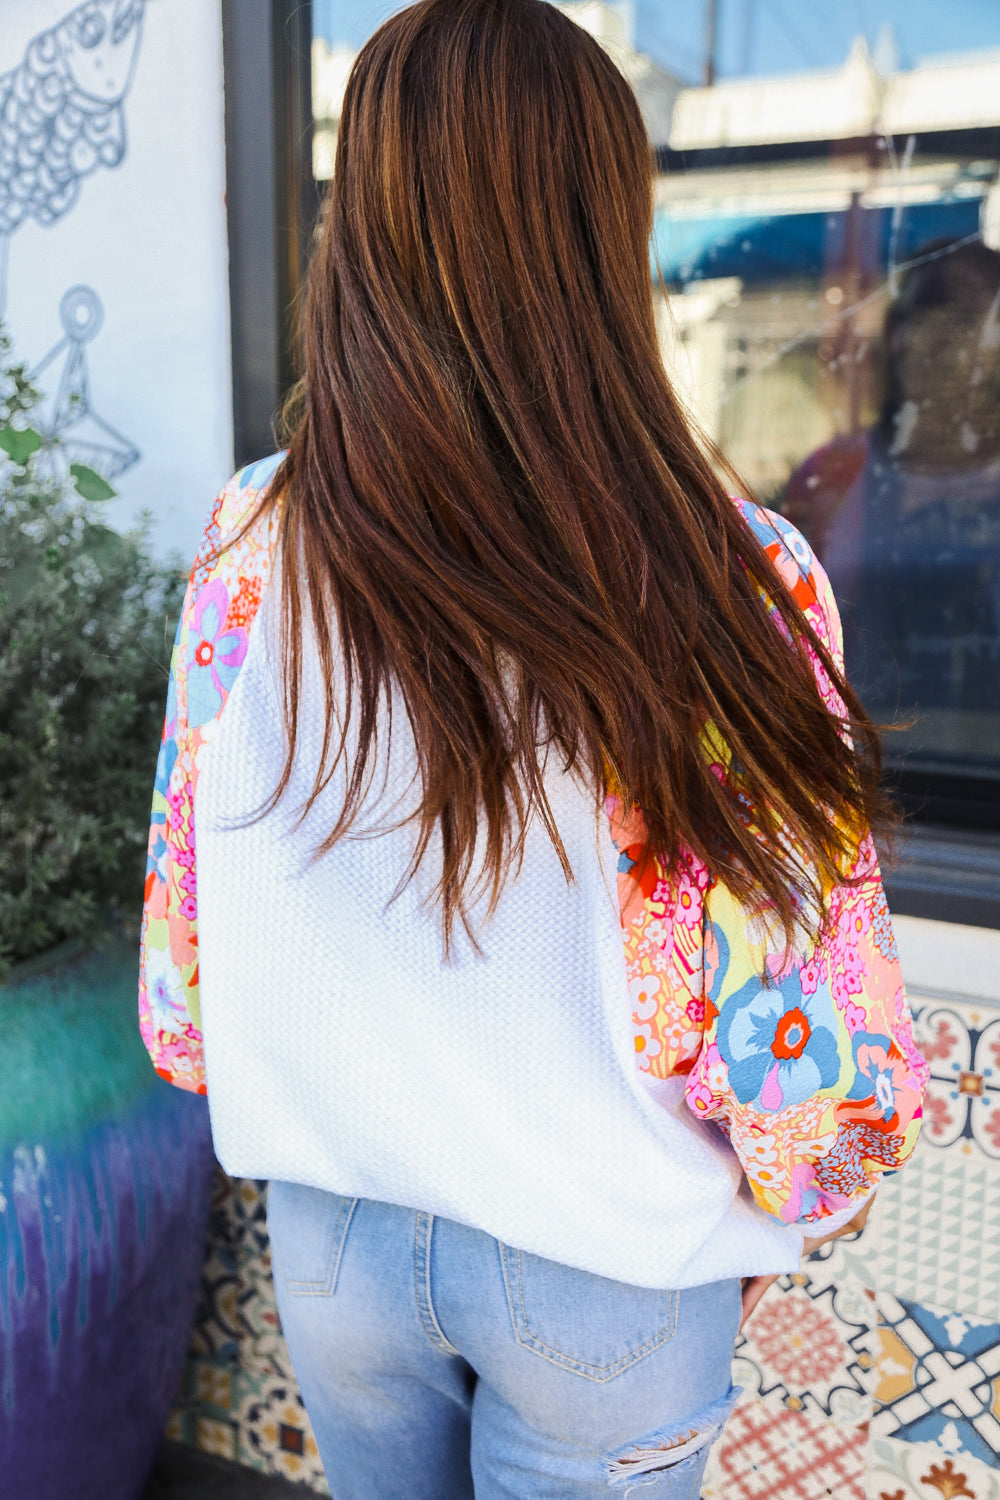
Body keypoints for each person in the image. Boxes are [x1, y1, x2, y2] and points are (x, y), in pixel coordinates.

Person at [138, 3, 928, 1495]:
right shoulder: (727, 579)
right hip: (604, 1254)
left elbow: (188, 952)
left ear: (356, 216)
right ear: (601, 229)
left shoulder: (253, 536)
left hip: (341, 1233)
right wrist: (807, 1182)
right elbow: (798, 1013)